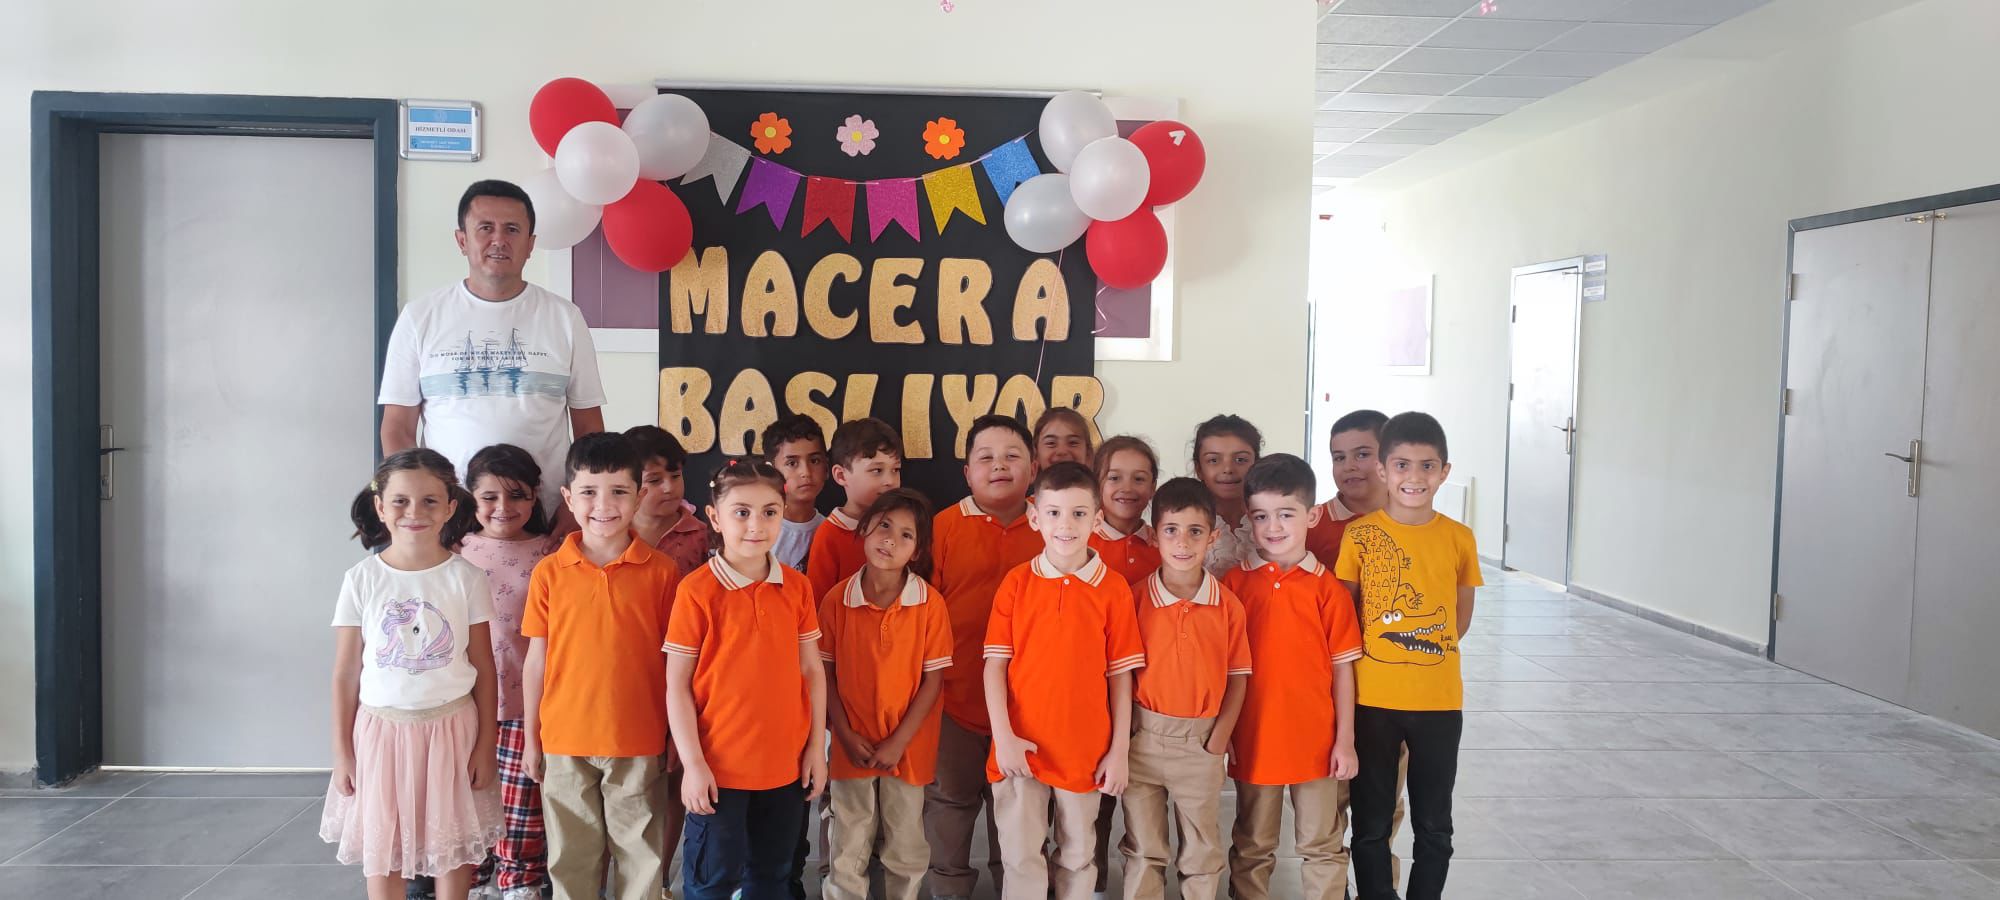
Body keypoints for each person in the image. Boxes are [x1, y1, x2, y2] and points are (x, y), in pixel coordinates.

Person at [322, 449, 504, 900]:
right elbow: (345, 673)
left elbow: (485, 668)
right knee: (383, 846)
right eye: (401, 501)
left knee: (451, 845)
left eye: (429, 500)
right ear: (381, 507)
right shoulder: (361, 579)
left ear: (450, 507)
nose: (414, 512)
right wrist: (342, 752)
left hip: (453, 730)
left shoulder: (467, 578)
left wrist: (485, 745)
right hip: (380, 734)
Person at [377, 180, 606, 524]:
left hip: (544, 517)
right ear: (462, 240)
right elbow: (397, 427)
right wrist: (417, 508)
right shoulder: (419, 317)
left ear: (530, 245)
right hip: (447, 518)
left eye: (512, 229)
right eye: (485, 228)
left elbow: (589, 428)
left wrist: (575, 507)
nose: (499, 240)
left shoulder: (565, 317)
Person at [522, 433, 681, 900]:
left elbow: (675, 664)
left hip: (638, 739)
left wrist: (675, 733)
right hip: (564, 740)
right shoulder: (549, 573)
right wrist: (532, 737)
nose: (604, 505)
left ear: (639, 496)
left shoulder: (663, 572)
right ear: (569, 497)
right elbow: (536, 661)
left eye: (619, 491)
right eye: (589, 491)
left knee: (641, 856)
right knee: (571, 857)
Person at [665, 458, 828, 900]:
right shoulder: (696, 591)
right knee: (712, 881)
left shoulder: (796, 587)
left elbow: (812, 671)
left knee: (772, 878)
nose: (756, 525)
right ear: (715, 517)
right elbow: (677, 685)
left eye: (769, 512)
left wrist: (816, 749)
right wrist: (693, 764)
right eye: (741, 512)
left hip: (785, 769)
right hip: (718, 771)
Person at [984, 462, 1145, 900]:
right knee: (1021, 857)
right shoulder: (1016, 584)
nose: (1066, 525)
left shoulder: (1112, 589)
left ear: (1097, 519)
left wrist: (1119, 751)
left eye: (1078, 513)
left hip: (1085, 749)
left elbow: (1121, 677)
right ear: (1036, 517)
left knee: (1077, 856)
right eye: (1054, 513)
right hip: (1019, 748)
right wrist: (1004, 738)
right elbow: (994, 667)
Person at [1337, 413, 1482, 900]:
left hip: (1439, 703)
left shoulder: (1459, 537)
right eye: (1401, 465)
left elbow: (1460, 617)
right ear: (1383, 470)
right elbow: (1345, 613)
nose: (1414, 477)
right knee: (1371, 822)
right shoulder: (1359, 536)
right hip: (1373, 702)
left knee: (1434, 824)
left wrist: (1425, 650)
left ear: (1444, 472)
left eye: (1427, 466)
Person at [1224, 453, 1363, 900]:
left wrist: (1345, 740)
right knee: (1253, 842)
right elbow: (1222, 668)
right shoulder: (1233, 586)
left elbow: (1343, 671)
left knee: (1322, 843)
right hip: (1254, 738)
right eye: (1261, 516)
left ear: (1312, 515)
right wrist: (1224, 731)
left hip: (1317, 742)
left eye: (1286, 514)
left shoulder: (1329, 591)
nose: (1273, 527)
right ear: (1248, 518)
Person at [926, 414, 1044, 900]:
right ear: (967, 472)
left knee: (1018, 811)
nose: (999, 466)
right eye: (986, 458)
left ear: (1033, 468)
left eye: (1012, 456)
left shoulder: (1053, 524)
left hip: (1029, 705)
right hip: (954, 698)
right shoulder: (941, 527)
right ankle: (948, 890)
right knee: (948, 803)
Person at [1117, 477, 1249, 900]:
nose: (1183, 542)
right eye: (1171, 530)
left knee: (1202, 850)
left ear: (1212, 537)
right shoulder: (1133, 599)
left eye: (1195, 531)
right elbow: (1120, 674)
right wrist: (1126, 734)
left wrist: (1218, 740)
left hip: (1200, 742)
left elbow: (1238, 677)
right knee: (1143, 848)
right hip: (1143, 739)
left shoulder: (1227, 605)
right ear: (1155, 536)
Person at [819, 488, 954, 900]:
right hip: (851, 745)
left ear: (917, 551)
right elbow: (825, 674)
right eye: (883, 526)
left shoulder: (929, 604)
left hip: (908, 748)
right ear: (864, 529)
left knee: (905, 842)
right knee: (848, 840)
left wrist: (898, 742)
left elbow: (933, 681)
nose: (890, 540)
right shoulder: (836, 601)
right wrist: (843, 733)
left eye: (906, 535)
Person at [458, 444, 561, 900]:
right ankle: (475, 875)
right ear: (470, 498)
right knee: (471, 792)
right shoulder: (455, 553)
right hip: (466, 701)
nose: (504, 507)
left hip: (526, 701)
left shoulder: (551, 553)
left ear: (535, 496)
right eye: (490, 497)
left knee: (521, 801)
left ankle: (520, 879)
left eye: (517, 495)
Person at [806, 417, 905, 601]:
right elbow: (818, 602)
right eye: (877, 470)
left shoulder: (901, 527)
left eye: (895, 470)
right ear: (841, 475)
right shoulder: (829, 536)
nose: (890, 481)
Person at [1304, 409, 1390, 566]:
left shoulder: (1414, 518)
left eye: (1362, 455)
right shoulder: (1312, 525)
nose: (1348, 466)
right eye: (1339, 458)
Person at [628, 425, 713, 573]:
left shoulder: (702, 537)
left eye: (675, 476)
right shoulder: (613, 532)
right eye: (654, 480)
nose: (669, 488)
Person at [1190, 415, 1261, 577]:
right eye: (1214, 460)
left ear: (1256, 464)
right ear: (1199, 468)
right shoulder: (1186, 525)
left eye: (1240, 459)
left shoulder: (1273, 521)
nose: (1228, 469)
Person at [1090, 435, 1163, 586]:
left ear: (1153, 487)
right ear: (1096, 484)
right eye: (1114, 478)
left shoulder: (1164, 545)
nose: (1127, 488)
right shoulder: (1081, 544)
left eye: (1139, 479)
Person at [763, 414, 830, 571]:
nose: (805, 472)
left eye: (814, 461)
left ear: (826, 468)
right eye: (792, 463)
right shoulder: (759, 530)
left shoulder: (830, 532)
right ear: (771, 471)